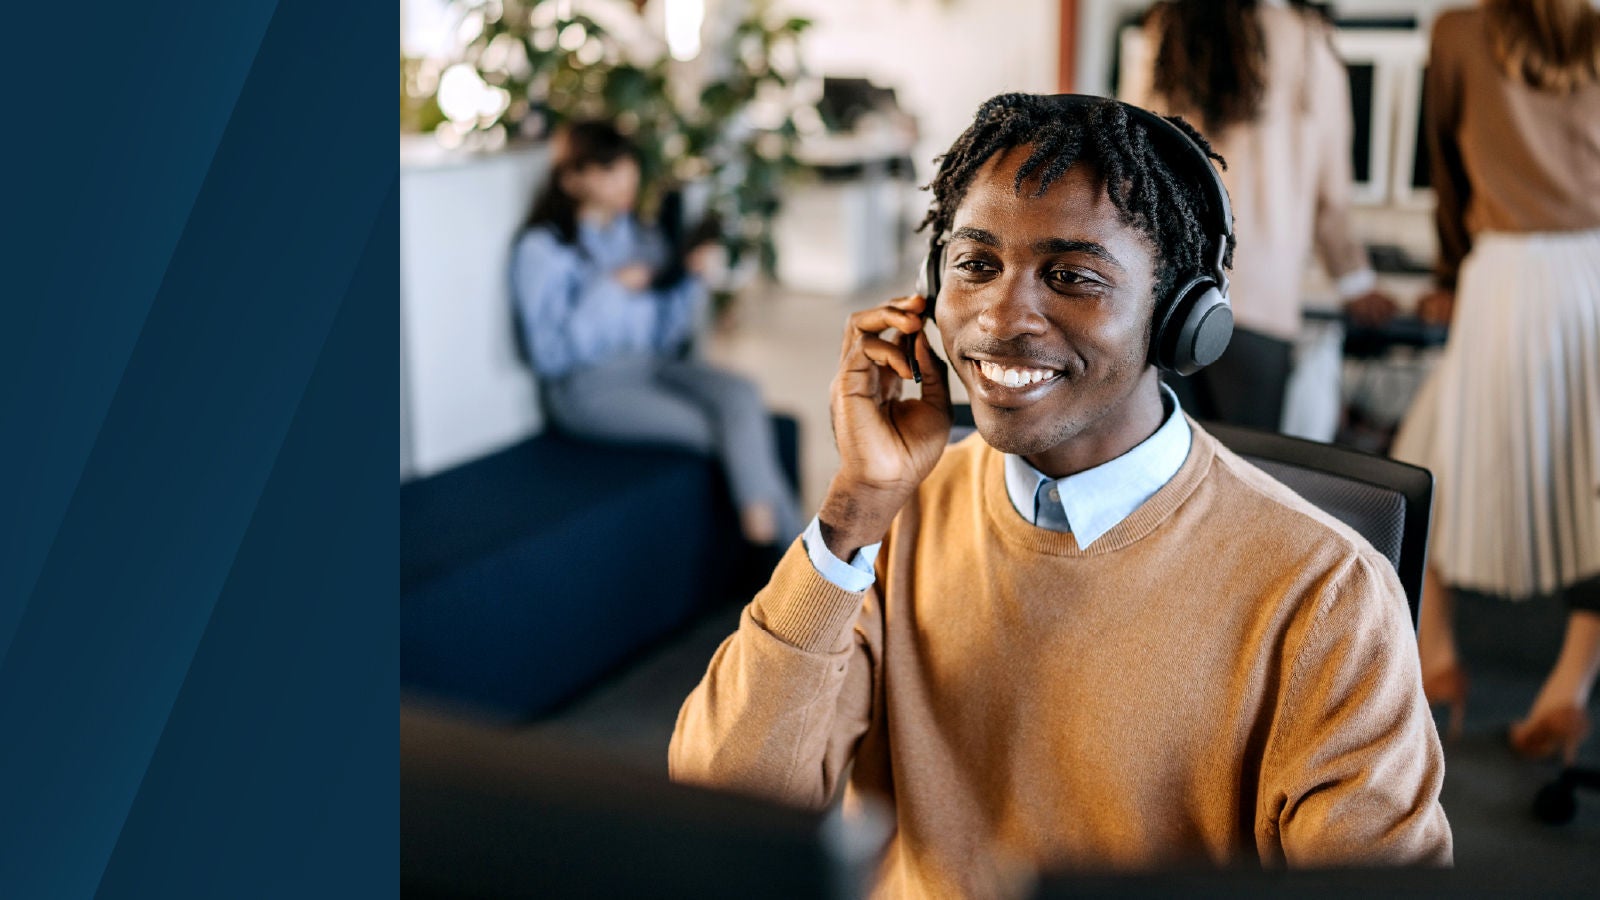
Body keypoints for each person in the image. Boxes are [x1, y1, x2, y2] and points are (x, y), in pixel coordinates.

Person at [669, 94, 1451, 896]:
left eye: (1073, 276)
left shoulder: (1327, 594)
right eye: (975, 265)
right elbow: (721, 813)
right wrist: (853, 514)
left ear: (1183, 317)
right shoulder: (894, 519)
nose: (1003, 318)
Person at [1392, 0, 1600, 763]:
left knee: (1422, 470)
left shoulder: (1457, 33)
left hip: (1505, 275)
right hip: (1595, 276)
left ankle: (1436, 654)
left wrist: (1448, 272)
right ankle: (1566, 688)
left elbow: (1446, 171)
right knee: (1594, 488)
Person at [512, 120, 800, 545]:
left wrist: (690, 280)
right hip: (587, 390)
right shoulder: (543, 250)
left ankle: (784, 553)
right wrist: (611, 288)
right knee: (727, 432)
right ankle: (804, 569)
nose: (627, 178)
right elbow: (548, 355)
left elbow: (668, 337)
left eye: (628, 166)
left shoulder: (641, 237)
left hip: (652, 366)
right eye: (609, 170)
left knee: (742, 394)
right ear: (572, 179)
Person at [1119, 0, 1398, 437]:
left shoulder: (1166, 27)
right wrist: (1356, 282)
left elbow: (1128, 168)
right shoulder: (1308, 40)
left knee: (1163, 471)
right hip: (1260, 305)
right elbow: (1332, 198)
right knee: (1240, 476)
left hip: (1164, 296)